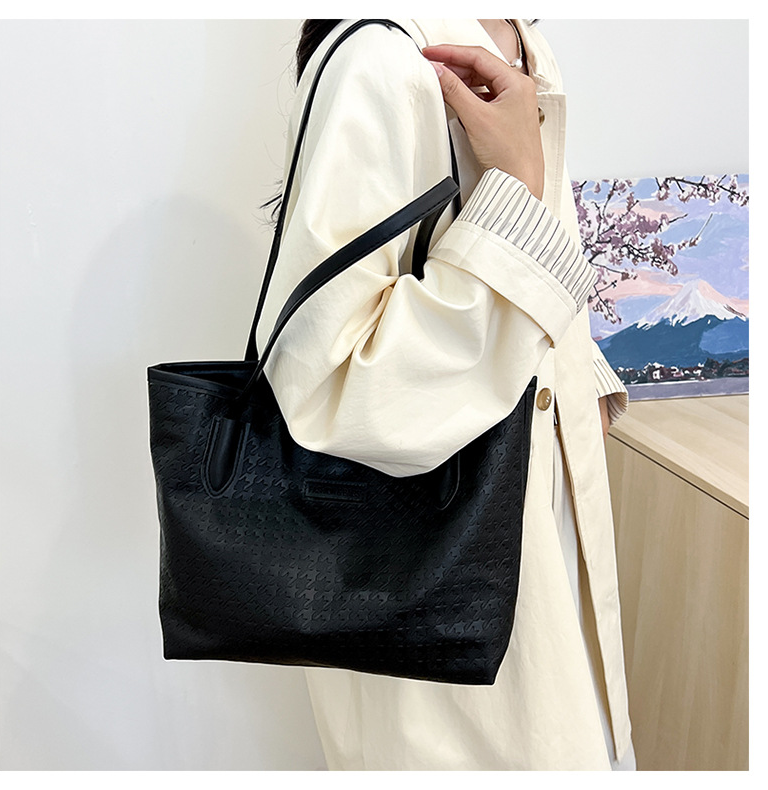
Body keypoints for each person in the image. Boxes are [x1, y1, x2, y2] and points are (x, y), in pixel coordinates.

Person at [255, 18, 637, 770]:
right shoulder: (382, 58)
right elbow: (335, 390)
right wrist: (517, 191)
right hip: (441, 598)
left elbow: (529, 282)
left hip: (544, 541)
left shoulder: (521, 41)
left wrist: (580, 378)